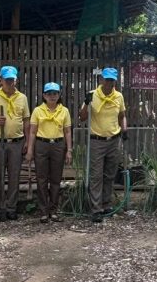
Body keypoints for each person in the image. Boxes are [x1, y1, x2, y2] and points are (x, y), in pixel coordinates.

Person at [79, 67, 128, 224]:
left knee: (110, 174)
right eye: (107, 80)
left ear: (115, 82)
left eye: (112, 80)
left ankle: (106, 205)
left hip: (114, 140)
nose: (109, 83)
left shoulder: (118, 96)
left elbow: (122, 115)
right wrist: (86, 103)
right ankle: (96, 209)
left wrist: (124, 130)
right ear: (101, 80)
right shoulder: (93, 95)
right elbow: (82, 117)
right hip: (97, 140)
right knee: (96, 175)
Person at [0, 66, 31, 221]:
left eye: (12, 80)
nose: (10, 83)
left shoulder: (22, 98)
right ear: (1, 80)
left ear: (16, 80)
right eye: (7, 80)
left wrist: (27, 140)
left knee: (14, 176)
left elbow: (26, 120)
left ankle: (11, 207)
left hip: (17, 142)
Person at [27, 82, 73, 223]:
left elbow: (67, 131)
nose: (52, 96)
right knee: (41, 178)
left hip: (58, 145)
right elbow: (32, 132)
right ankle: (43, 211)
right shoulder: (37, 111)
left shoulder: (64, 111)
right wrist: (30, 150)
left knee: (56, 179)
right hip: (41, 144)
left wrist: (69, 150)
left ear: (59, 95)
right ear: (44, 95)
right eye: (49, 94)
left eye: (55, 93)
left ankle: (53, 210)